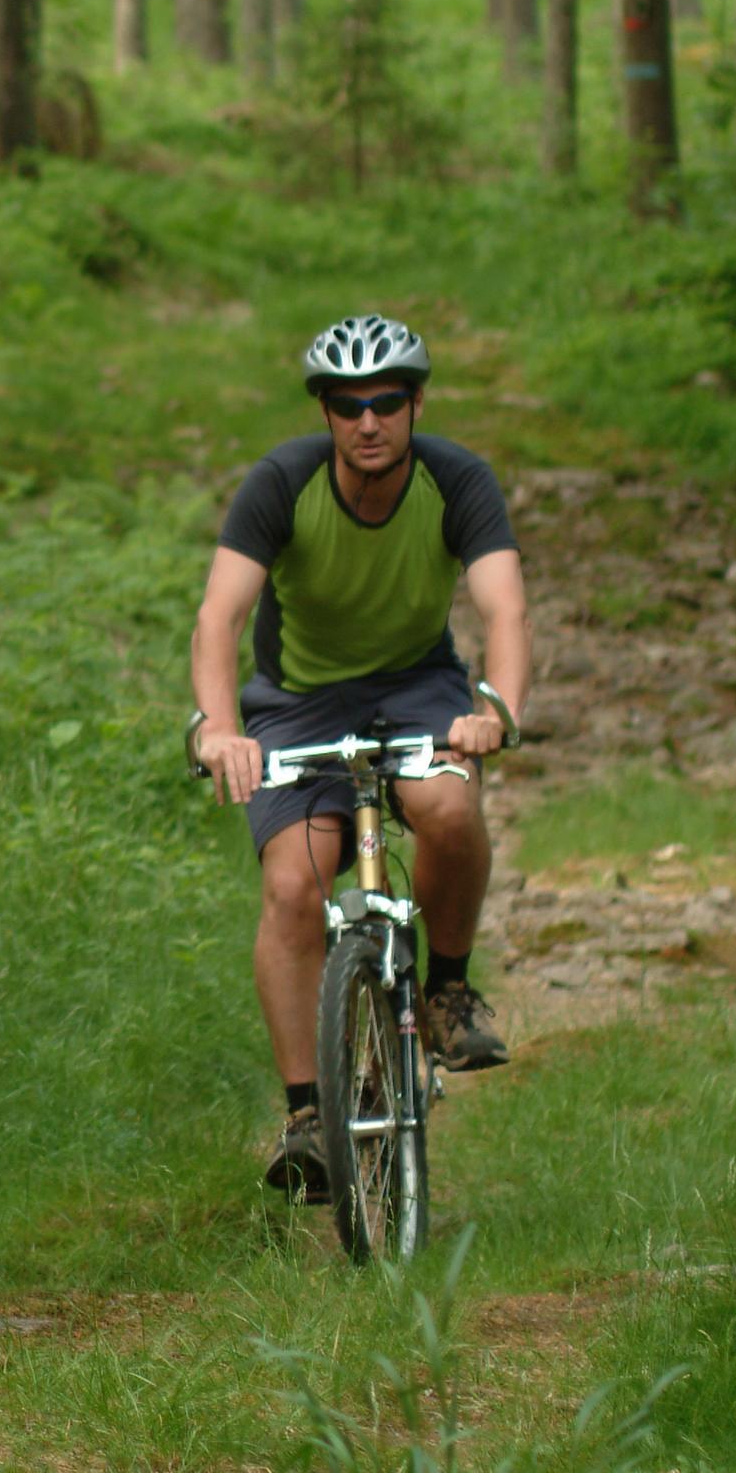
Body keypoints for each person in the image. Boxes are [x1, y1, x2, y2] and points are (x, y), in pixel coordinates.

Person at [188, 312, 532, 1200]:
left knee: (451, 811)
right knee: (295, 887)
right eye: (347, 406)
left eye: (385, 402)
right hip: (298, 700)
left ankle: (448, 992)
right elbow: (220, 618)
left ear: (416, 403)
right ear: (326, 413)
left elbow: (503, 611)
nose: (367, 422)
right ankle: (308, 1113)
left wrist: (494, 707)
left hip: (418, 684)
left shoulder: (457, 481)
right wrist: (220, 728)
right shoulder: (282, 483)